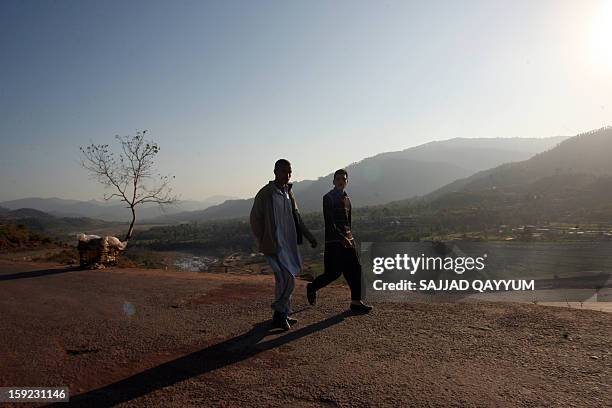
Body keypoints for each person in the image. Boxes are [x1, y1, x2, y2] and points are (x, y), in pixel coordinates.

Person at [250, 159, 318, 330]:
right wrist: (263, 238)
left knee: (287, 278)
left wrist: (309, 236)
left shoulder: (289, 193)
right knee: (285, 278)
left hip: (288, 243)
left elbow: (297, 217)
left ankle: (282, 314)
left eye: (289, 172)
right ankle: (279, 312)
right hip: (274, 244)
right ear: (275, 172)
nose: (287, 175)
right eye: (283, 172)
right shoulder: (265, 193)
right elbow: (255, 218)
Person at [306, 169, 373, 313]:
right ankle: (312, 287)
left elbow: (348, 224)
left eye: (343, 179)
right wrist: (342, 238)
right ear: (333, 181)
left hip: (348, 241)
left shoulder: (347, 199)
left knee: (355, 269)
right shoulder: (328, 198)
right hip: (334, 243)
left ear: (347, 181)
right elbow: (329, 223)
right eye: (338, 179)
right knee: (333, 274)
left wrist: (350, 239)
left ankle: (356, 302)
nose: (341, 181)